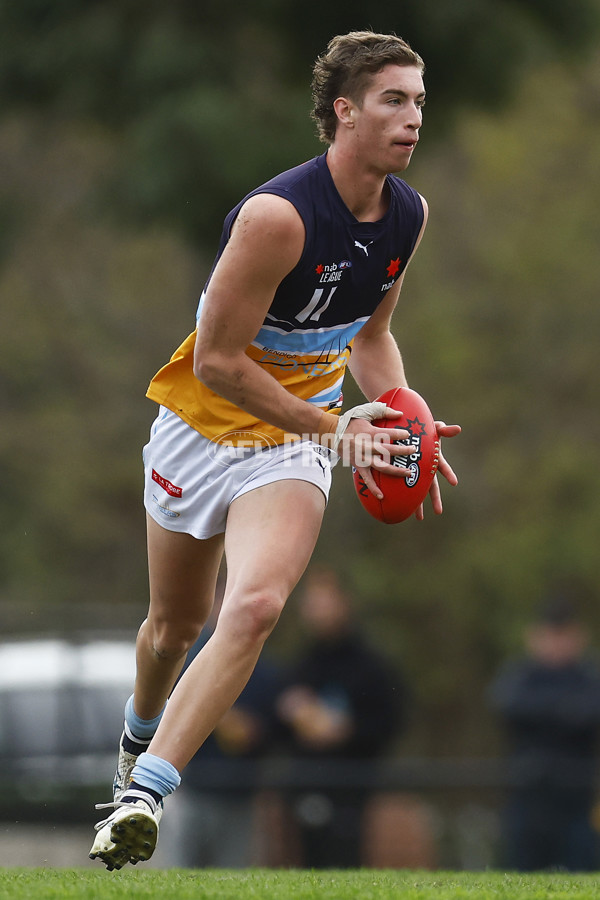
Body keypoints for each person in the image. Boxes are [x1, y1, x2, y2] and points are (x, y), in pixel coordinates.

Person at [89, 30, 460, 870]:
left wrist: (406, 417)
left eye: (420, 102)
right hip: (202, 425)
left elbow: (371, 336)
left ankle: (142, 795)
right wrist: (337, 430)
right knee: (172, 628)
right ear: (344, 112)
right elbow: (218, 365)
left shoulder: (408, 212)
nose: (413, 120)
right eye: (394, 101)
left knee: (254, 606)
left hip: (291, 444)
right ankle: (135, 736)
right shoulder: (276, 217)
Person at [276, 567, 407, 867]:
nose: (315, 609)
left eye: (324, 600)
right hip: (304, 782)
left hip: (352, 785)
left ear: (344, 603)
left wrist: (346, 730)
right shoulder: (301, 666)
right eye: (311, 601)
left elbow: (390, 720)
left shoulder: (371, 667)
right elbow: (277, 726)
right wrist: (290, 715)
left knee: (346, 860)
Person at [489, 597, 600, 871]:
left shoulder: (589, 677)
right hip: (528, 796)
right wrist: (565, 710)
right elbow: (506, 706)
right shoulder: (518, 675)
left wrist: (544, 711)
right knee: (521, 875)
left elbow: (589, 713)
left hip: (577, 797)